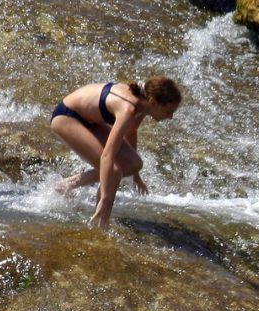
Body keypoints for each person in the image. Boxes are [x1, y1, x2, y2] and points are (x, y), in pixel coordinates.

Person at [50, 77, 182, 228]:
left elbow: (131, 132)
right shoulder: (128, 109)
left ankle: (66, 185)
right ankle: (100, 222)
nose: (171, 117)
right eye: (169, 111)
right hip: (66, 117)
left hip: (91, 122)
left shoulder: (143, 105)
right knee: (114, 170)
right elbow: (107, 155)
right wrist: (106, 198)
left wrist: (136, 176)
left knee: (134, 164)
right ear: (153, 102)